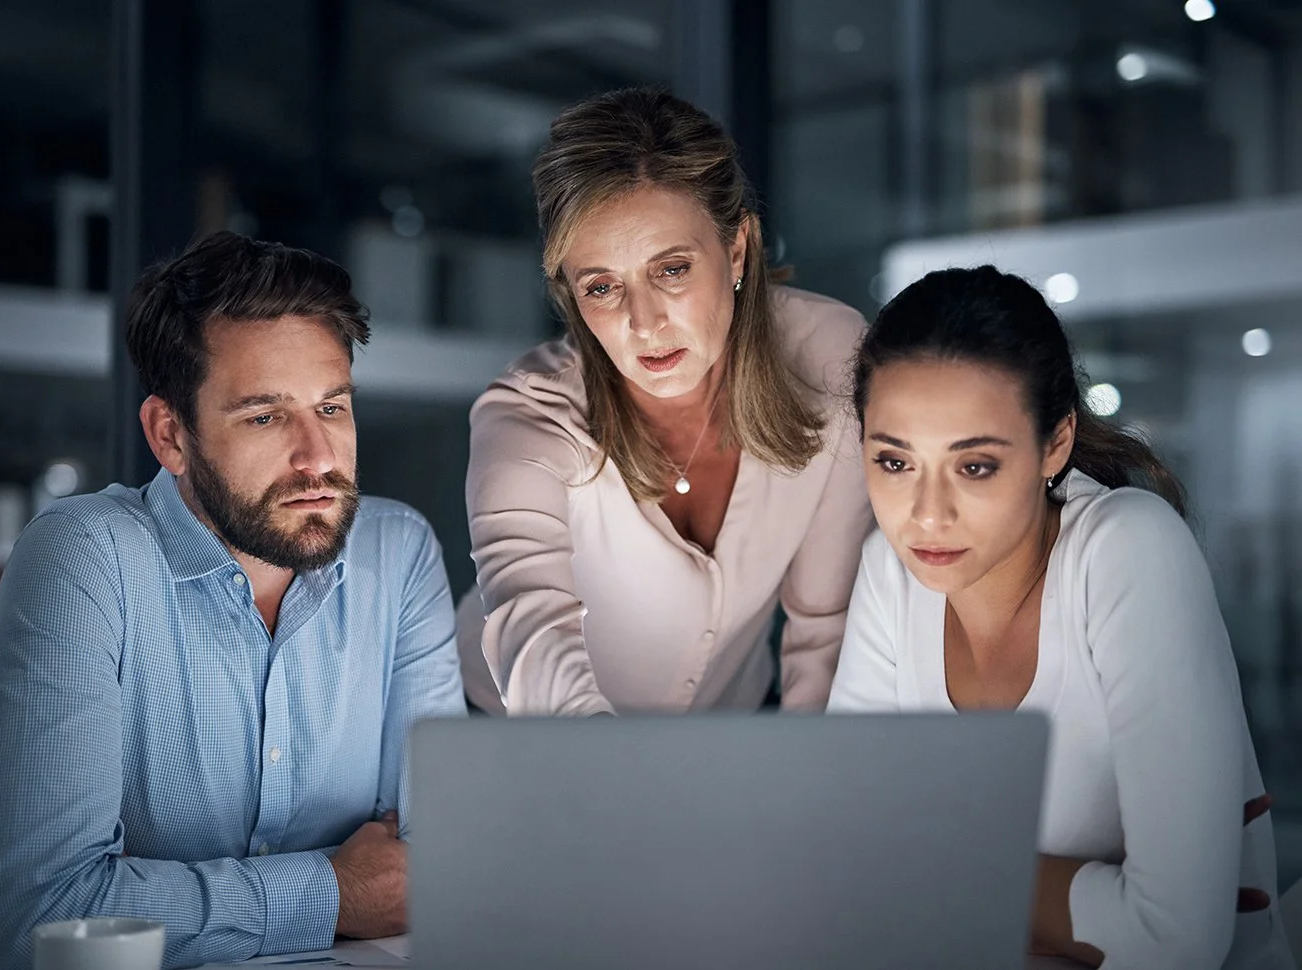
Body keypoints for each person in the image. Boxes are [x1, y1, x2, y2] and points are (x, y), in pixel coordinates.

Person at [0, 232, 466, 969]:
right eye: (264, 416)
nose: (318, 457)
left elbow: (433, 862)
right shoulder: (84, 558)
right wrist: (332, 894)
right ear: (170, 435)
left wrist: (156, 897)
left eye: (332, 408)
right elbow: (43, 918)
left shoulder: (397, 552)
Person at [828, 265, 1292, 968]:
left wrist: (934, 868)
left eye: (975, 466)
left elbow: (1179, 942)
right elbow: (846, 872)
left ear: (1056, 443)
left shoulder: (1127, 548)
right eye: (894, 463)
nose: (926, 513)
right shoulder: (889, 572)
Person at [457, 88, 875, 716]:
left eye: (671, 269)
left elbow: (825, 627)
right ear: (571, 293)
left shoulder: (832, 358)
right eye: (602, 286)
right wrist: (614, 785)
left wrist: (808, 791)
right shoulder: (526, 419)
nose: (644, 323)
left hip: (719, 741)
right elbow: (532, 631)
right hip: (506, 732)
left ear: (737, 249)